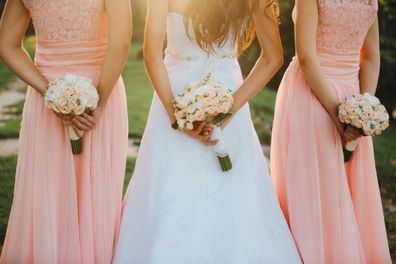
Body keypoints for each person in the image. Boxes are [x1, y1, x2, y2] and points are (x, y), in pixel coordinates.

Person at [112, 0, 301, 263]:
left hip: (183, 97)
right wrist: (224, 110)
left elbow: (152, 56)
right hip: (212, 100)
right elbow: (272, 58)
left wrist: (183, 116)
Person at [0, 0, 131, 262]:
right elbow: (121, 43)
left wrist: (48, 91)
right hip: (100, 87)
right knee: (96, 192)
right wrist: (99, 106)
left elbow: (7, 45)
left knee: (47, 190)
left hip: (48, 96)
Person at [270, 0, 392, 262]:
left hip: (312, 95)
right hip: (350, 95)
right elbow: (371, 57)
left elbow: (306, 57)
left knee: (308, 190)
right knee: (343, 189)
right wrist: (361, 110)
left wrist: (347, 119)